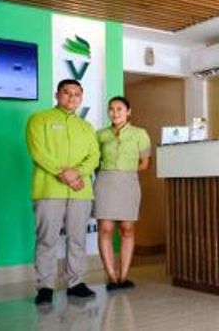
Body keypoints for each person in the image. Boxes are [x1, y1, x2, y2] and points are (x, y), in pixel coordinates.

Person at [26, 79, 100, 305]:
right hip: (49, 189)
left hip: (80, 192)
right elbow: (38, 152)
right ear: (57, 95)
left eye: (77, 94)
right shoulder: (39, 119)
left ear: (81, 98)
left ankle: (75, 283)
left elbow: (94, 156)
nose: (72, 97)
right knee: (46, 239)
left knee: (77, 239)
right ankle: (45, 287)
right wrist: (63, 173)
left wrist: (77, 173)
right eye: (67, 93)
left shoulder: (86, 127)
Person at [94, 96, 151, 291]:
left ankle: (124, 276)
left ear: (128, 111)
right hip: (105, 182)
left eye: (119, 109)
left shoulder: (140, 133)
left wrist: (126, 171)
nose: (115, 112)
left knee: (127, 228)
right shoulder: (100, 135)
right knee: (105, 228)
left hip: (129, 183)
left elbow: (145, 163)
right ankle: (111, 276)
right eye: (111, 109)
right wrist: (108, 173)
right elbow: (94, 162)